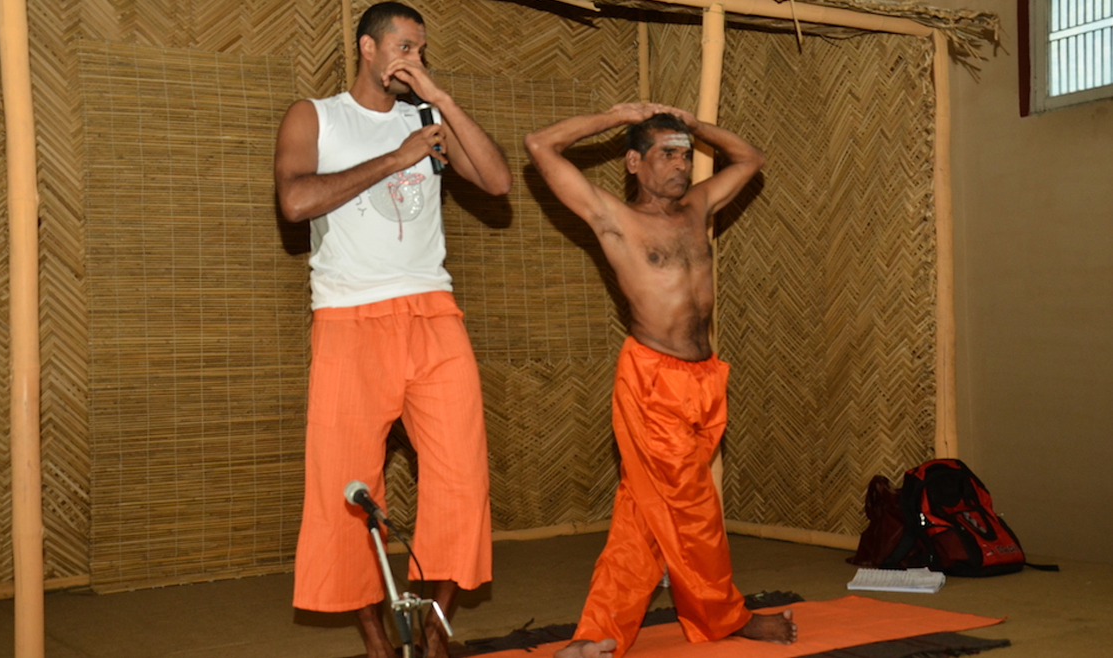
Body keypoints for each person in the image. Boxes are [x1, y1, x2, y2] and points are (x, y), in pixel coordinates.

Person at [274, 3, 512, 657]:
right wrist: (396, 157)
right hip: (350, 318)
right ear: (368, 47)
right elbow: (294, 201)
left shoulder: (425, 118)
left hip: (433, 313)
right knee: (347, 487)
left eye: (422, 50)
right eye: (405, 46)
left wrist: (439, 100)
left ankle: (433, 636)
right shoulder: (315, 116)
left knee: (462, 480)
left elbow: (497, 181)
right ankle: (378, 643)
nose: (415, 59)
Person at [524, 104, 796, 658]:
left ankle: (596, 636)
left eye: (685, 155)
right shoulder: (613, 218)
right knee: (693, 507)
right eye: (666, 154)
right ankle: (728, 617)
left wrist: (694, 127)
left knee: (645, 514)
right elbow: (539, 146)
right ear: (633, 162)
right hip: (653, 382)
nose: (680, 165)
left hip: (705, 379)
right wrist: (616, 115)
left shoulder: (697, 207)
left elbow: (751, 158)